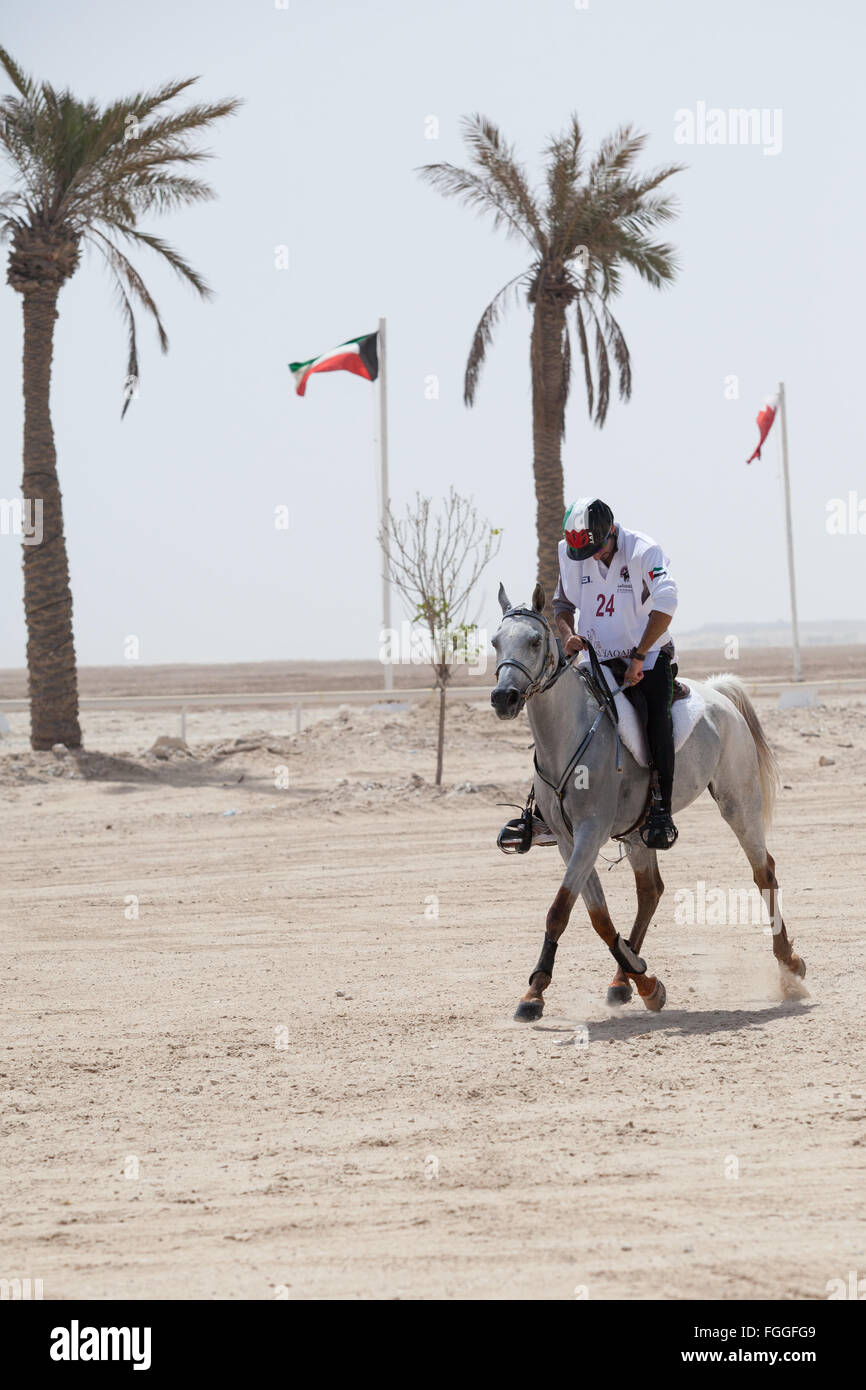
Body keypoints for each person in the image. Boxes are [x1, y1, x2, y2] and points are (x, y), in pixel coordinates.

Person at [498, 496, 680, 853]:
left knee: (656, 716)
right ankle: (541, 812)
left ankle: (661, 808)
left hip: (648, 655)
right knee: (560, 715)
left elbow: (668, 602)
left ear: (611, 532)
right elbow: (563, 605)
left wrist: (640, 656)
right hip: (595, 659)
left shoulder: (645, 551)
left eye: (598, 550)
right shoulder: (571, 551)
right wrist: (569, 636)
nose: (593, 558)